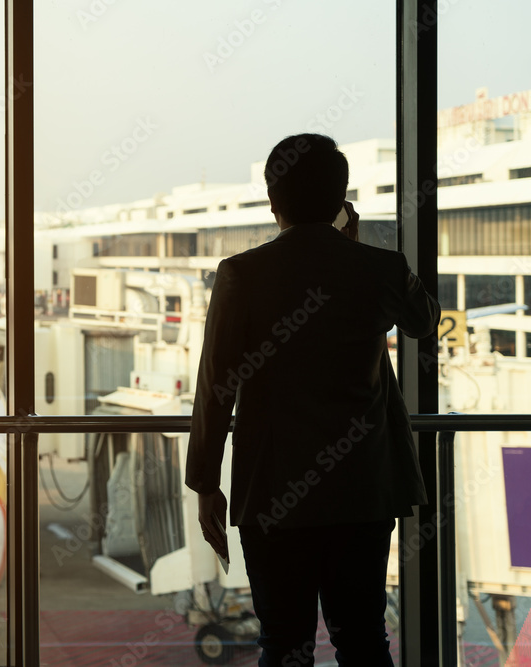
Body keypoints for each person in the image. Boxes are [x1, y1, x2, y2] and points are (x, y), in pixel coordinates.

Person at [185, 133, 440, 666]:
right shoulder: (379, 268)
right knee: (364, 639)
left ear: (273, 200)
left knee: (283, 643)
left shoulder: (240, 275)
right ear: (342, 200)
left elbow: (216, 389)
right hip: (361, 489)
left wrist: (206, 483)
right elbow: (423, 320)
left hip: (272, 492)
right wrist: (355, 243)